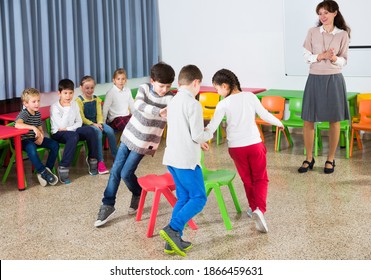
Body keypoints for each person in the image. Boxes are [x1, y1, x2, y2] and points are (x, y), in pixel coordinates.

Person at [94, 62, 175, 227]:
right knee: (115, 171)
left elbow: (175, 119)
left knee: (125, 173)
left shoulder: (171, 98)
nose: (164, 89)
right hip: (129, 136)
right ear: (152, 81)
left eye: (168, 86)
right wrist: (158, 111)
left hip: (144, 142)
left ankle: (137, 192)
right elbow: (138, 105)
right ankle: (107, 204)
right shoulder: (144, 88)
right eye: (161, 86)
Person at [204, 68, 284, 234]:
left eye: (217, 88)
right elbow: (264, 114)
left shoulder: (223, 104)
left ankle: (252, 207)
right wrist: (279, 123)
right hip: (254, 145)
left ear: (225, 86)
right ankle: (259, 210)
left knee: (247, 180)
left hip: (236, 148)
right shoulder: (250, 96)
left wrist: (200, 138)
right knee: (260, 178)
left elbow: (212, 127)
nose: (217, 92)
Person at [159, 65, 211, 257]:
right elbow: (198, 134)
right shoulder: (193, 104)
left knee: (184, 198)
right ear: (196, 82)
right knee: (198, 198)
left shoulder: (173, 101)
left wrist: (199, 142)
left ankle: (172, 241)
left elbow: (183, 130)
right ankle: (173, 228)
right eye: (200, 85)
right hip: (186, 161)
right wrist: (208, 134)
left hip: (172, 158)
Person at [299, 0, 350, 174]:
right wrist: (321, 56)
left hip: (334, 79)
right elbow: (306, 56)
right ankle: (309, 158)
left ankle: (330, 159)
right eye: (320, 13)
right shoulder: (312, 32)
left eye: (326, 13)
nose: (323, 17)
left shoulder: (342, 34)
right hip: (314, 79)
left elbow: (344, 60)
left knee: (334, 121)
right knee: (308, 120)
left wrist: (334, 59)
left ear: (335, 13)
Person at [50, 79, 99, 184]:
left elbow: (79, 122)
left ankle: (92, 159)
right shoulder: (54, 107)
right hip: (58, 133)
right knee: (73, 136)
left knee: (91, 130)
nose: (68, 96)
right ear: (59, 93)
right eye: (65, 93)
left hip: (72, 130)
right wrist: (67, 110)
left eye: (70, 93)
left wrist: (68, 128)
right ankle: (63, 166)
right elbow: (60, 126)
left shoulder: (74, 104)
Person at [14, 88, 59, 186]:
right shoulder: (24, 113)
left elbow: (40, 128)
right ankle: (43, 172)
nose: (37, 104)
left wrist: (41, 136)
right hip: (24, 141)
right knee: (31, 148)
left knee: (54, 145)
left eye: (38, 101)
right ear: (26, 103)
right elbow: (17, 124)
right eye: (33, 101)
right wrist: (33, 127)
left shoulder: (37, 113)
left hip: (34, 139)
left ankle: (47, 170)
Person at [76, 75, 118, 175]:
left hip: (98, 123)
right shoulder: (79, 101)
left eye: (92, 88)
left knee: (110, 131)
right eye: (87, 88)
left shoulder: (96, 99)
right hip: (87, 125)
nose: (90, 90)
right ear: (81, 88)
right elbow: (81, 118)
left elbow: (100, 114)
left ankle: (116, 158)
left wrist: (99, 123)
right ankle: (100, 162)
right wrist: (94, 124)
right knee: (98, 133)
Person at [102, 68, 135, 132]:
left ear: (126, 80)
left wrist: (135, 117)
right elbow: (105, 108)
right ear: (114, 80)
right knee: (126, 125)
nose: (121, 81)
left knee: (137, 123)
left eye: (123, 79)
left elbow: (132, 105)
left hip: (126, 116)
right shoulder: (111, 93)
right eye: (118, 79)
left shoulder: (128, 90)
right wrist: (103, 123)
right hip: (115, 119)